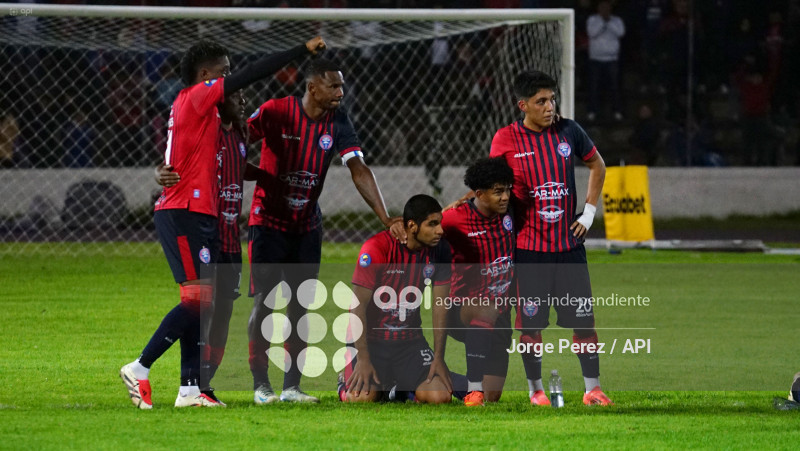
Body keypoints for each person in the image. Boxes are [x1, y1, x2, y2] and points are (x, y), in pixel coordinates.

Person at [120, 36, 326, 409]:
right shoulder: (197, 97)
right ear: (205, 76)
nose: (232, 81)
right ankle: (141, 366)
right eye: (224, 74)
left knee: (206, 303)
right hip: (185, 211)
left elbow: (185, 154)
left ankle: (191, 388)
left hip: (210, 221)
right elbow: (251, 74)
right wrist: (299, 51)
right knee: (199, 299)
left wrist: (268, 178)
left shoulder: (216, 124)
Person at [246, 58, 403, 404]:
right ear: (312, 87)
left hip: (306, 225)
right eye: (333, 86)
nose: (341, 92)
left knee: (301, 306)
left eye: (341, 86)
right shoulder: (276, 111)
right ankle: (261, 385)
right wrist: (249, 172)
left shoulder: (338, 121)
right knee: (265, 302)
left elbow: (358, 168)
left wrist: (385, 217)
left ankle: (291, 387)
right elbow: (235, 139)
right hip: (268, 222)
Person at [488, 70, 611, 406]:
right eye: (541, 101)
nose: (549, 106)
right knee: (531, 328)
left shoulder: (569, 131)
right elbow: (489, 186)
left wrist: (587, 213)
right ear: (522, 105)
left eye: (552, 99)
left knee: (584, 322)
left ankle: (593, 389)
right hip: (529, 253)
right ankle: (536, 391)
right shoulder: (505, 139)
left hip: (569, 249)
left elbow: (598, 165)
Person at [154, 89, 272, 405]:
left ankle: (205, 382)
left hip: (231, 235)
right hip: (206, 232)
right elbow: (178, 161)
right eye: (237, 96)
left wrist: (267, 176)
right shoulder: (209, 132)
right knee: (201, 310)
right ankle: (192, 383)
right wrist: (160, 171)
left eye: (245, 97)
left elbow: (239, 165)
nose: (243, 101)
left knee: (222, 313)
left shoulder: (241, 132)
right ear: (219, 102)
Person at [340, 194, 453, 404]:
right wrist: (363, 358)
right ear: (412, 226)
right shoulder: (377, 248)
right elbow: (356, 307)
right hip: (371, 342)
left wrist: (438, 357)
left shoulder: (440, 250)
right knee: (362, 399)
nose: (440, 230)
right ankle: (346, 377)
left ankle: (396, 389)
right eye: (433, 224)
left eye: (440, 223)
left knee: (440, 396)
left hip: (409, 343)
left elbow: (440, 306)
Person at [441, 157, 516, 407]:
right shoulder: (454, 219)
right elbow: (423, 232)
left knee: (493, 394)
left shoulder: (511, 212)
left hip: (500, 313)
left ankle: (432, 379)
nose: (505, 196)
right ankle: (474, 391)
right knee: (485, 305)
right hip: (460, 309)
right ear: (480, 194)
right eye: (498, 192)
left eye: (507, 189)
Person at [586, 0, 625, 122]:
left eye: (607, 7)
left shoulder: (617, 20)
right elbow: (592, 33)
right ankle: (592, 111)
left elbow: (620, 33)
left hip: (612, 59)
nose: (605, 9)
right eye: (602, 6)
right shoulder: (592, 20)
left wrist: (609, 22)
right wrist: (603, 23)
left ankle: (616, 111)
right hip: (595, 59)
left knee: (614, 87)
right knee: (594, 87)